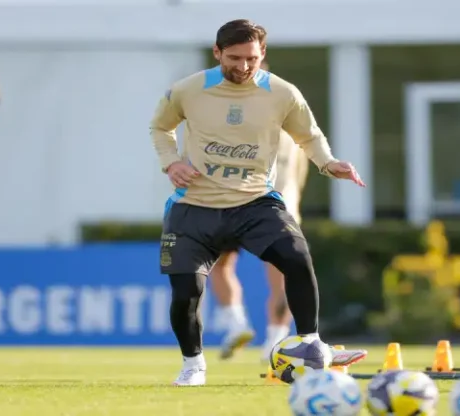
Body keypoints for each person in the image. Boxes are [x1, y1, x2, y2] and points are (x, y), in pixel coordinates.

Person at [150, 19, 368, 386]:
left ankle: (313, 345)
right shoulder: (188, 90)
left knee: (297, 257)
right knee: (186, 291)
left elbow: (309, 136)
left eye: (251, 58)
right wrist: (171, 162)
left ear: (262, 54)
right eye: (234, 58)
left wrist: (328, 164)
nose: (243, 66)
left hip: (255, 202)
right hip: (194, 206)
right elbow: (160, 127)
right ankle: (193, 365)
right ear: (217, 52)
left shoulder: (283, 93)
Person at [209, 58, 309, 362]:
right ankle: (275, 342)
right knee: (283, 274)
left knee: (220, 265)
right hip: (281, 204)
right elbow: (301, 165)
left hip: (231, 202)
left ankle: (237, 322)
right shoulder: (289, 111)